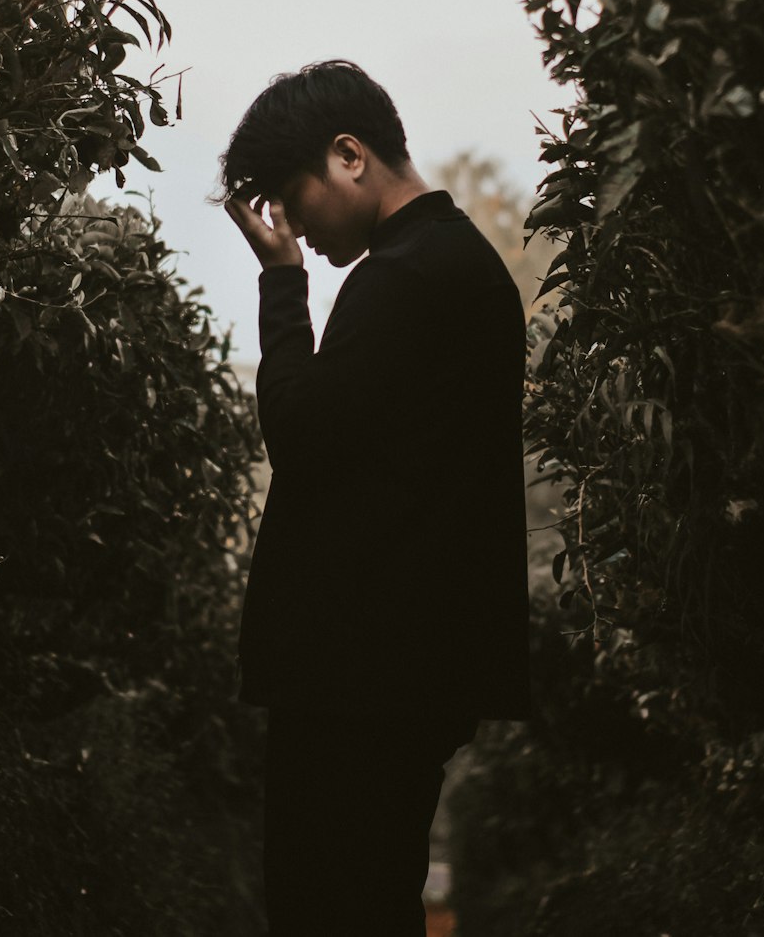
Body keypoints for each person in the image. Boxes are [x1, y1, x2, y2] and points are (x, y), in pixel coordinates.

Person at [218, 59, 530, 937]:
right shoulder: (451, 263)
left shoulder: (405, 277)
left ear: (348, 155)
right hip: (398, 673)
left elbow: (301, 437)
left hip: (362, 682)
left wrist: (282, 284)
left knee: (329, 907)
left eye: (293, 196)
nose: (295, 227)